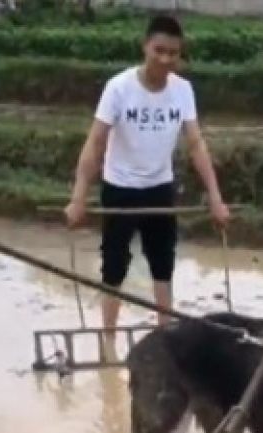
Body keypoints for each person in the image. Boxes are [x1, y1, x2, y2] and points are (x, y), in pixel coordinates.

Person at [65, 14, 231, 333]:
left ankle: (164, 335)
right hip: (120, 187)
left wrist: (216, 198)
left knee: (162, 263)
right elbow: (95, 142)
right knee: (114, 265)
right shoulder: (119, 88)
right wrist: (78, 198)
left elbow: (196, 143)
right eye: (159, 51)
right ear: (145, 47)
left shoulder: (182, 90)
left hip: (159, 187)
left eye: (173, 53)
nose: (166, 59)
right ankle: (109, 338)